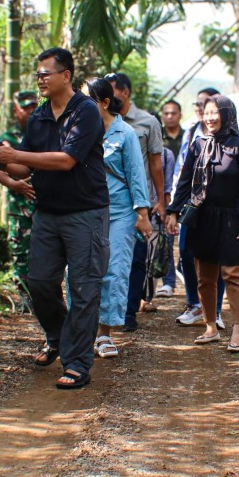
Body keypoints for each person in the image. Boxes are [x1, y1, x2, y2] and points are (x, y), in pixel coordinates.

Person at [0, 48, 109, 390]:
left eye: (45, 73)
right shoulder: (38, 117)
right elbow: (26, 165)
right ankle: (58, 335)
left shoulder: (86, 112)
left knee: (83, 288)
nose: (40, 79)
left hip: (85, 213)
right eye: (37, 74)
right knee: (38, 281)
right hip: (47, 212)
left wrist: (15, 154)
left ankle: (77, 363)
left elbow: (67, 159)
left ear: (65, 75)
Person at [167, 95, 239, 352]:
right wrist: (173, 211)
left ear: (227, 114)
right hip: (202, 217)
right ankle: (210, 326)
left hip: (232, 217)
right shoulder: (198, 144)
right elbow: (184, 181)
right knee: (205, 277)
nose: (211, 117)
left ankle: (237, 329)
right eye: (207, 112)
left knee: (233, 273)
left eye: (216, 112)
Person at [88, 77, 151, 358]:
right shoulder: (78, 131)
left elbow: (137, 175)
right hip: (84, 211)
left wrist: (142, 213)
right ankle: (81, 330)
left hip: (120, 212)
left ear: (103, 103)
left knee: (113, 271)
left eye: (87, 100)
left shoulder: (125, 134)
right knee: (79, 271)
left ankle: (104, 334)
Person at [108, 73, 165, 332]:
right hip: (109, 201)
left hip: (139, 203)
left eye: (112, 92)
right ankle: (108, 312)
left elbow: (156, 163)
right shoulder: (99, 121)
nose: (108, 99)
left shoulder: (147, 122)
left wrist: (160, 200)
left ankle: (128, 312)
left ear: (125, 92)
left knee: (136, 259)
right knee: (108, 260)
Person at [174, 87, 226, 327]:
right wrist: (173, 208)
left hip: (219, 210)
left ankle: (215, 310)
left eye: (209, 107)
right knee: (186, 251)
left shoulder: (234, 141)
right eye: (201, 107)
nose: (205, 112)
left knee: (218, 257)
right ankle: (194, 303)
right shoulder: (192, 136)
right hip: (192, 208)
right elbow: (182, 174)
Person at [0, 91, 39, 312]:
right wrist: (14, 185)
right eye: (26, 108)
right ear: (16, 110)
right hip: (20, 208)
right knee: (20, 253)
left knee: (44, 253)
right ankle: (24, 297)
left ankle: (43, 296)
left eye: (33, 107)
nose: (30, 112)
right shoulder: (8, 138)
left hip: (43, 206)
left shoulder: (43, 132)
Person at [155, 100, 184, 297]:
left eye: (173, 113)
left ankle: (180, 278)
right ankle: (168, 281)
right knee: (164, 238)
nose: (170, 116)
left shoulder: (187, 136)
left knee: (182, 242)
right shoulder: (157, 136)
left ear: (180, 114)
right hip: (163, 193)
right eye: (166, 113)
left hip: (182, 192)